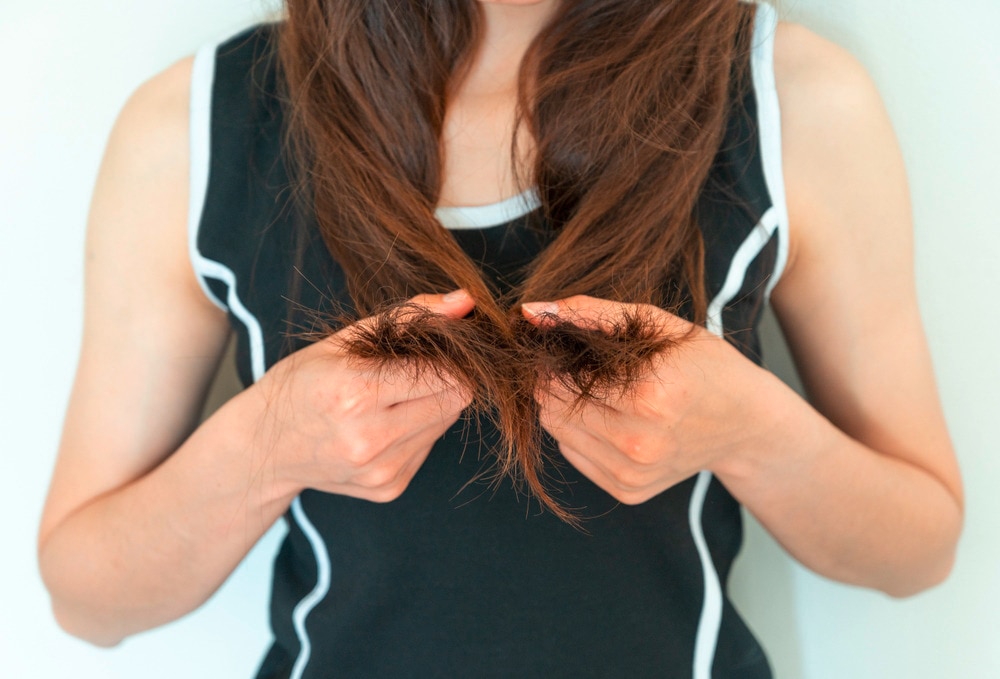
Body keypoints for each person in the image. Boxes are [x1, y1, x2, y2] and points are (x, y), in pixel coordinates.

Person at [38, 1, 963, 677]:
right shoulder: (195, 126)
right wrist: (268, 442)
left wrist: (747, 429)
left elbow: (917, 550)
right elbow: (87, 597)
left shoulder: (793, 97)